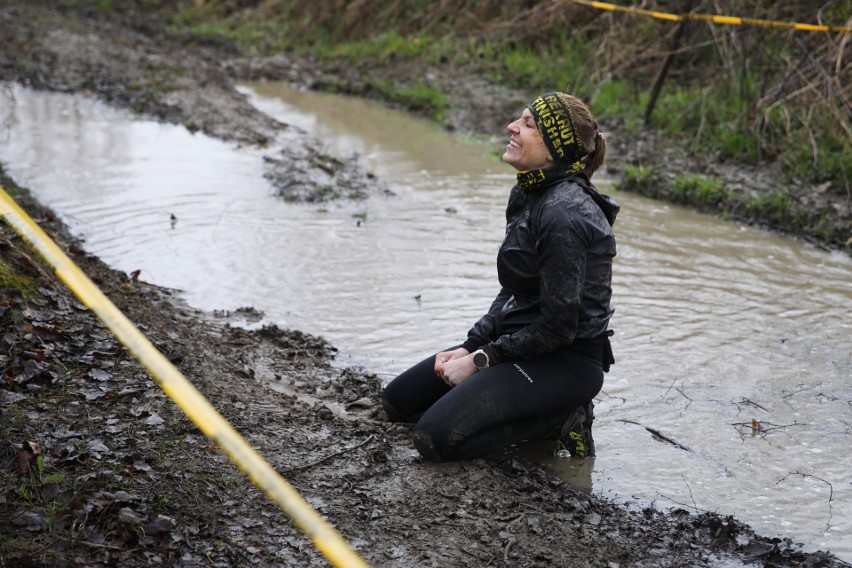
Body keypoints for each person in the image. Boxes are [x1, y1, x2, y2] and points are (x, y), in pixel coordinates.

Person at [381, 92, 618, 462]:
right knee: (398, 402)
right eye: (519, 119)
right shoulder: (529, 191)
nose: (512, 127)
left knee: (434, 438)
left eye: (528, 125)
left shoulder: (564, 214)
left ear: (556, 148)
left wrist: (482, 359)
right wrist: (471, 344)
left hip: (565, 362)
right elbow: (512, 292)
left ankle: (559, 420)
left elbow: (559, 328)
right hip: (519, 342)